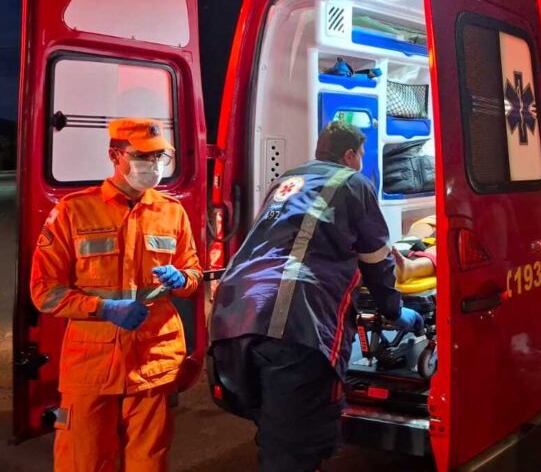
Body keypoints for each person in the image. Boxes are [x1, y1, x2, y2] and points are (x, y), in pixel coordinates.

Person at [209, 121, 423, 472]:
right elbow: (377, 260)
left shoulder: (288, 181)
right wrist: (395, 310)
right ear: (351, 155)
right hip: (293, 324)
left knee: (275, 430)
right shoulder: (353, 183)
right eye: (361, 155)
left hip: (233, 316)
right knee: (296, 446)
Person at [30, 118, 203, 472]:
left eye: (160, 159)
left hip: (152, 359)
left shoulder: (172, 212)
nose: (154, 167)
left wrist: (182, 277)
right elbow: (44, 292)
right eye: (144, 157)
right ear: (115, 155)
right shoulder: (73, 211)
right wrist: (103, 308)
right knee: (85, 461)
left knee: (148, 461)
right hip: (92, 364)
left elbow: (194, 274)